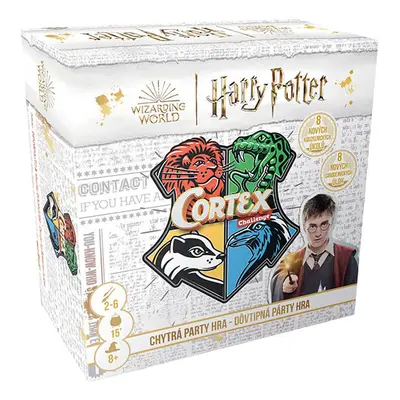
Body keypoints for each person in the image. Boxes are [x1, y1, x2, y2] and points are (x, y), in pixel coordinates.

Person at [270, 194, 358, 301]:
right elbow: (280, 274)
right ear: (304, 226)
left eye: (324, 225)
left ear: (331, 223)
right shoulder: (292, 260)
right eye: (312, 226)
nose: (318, 233)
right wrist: (283, 282)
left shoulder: (346, 258)